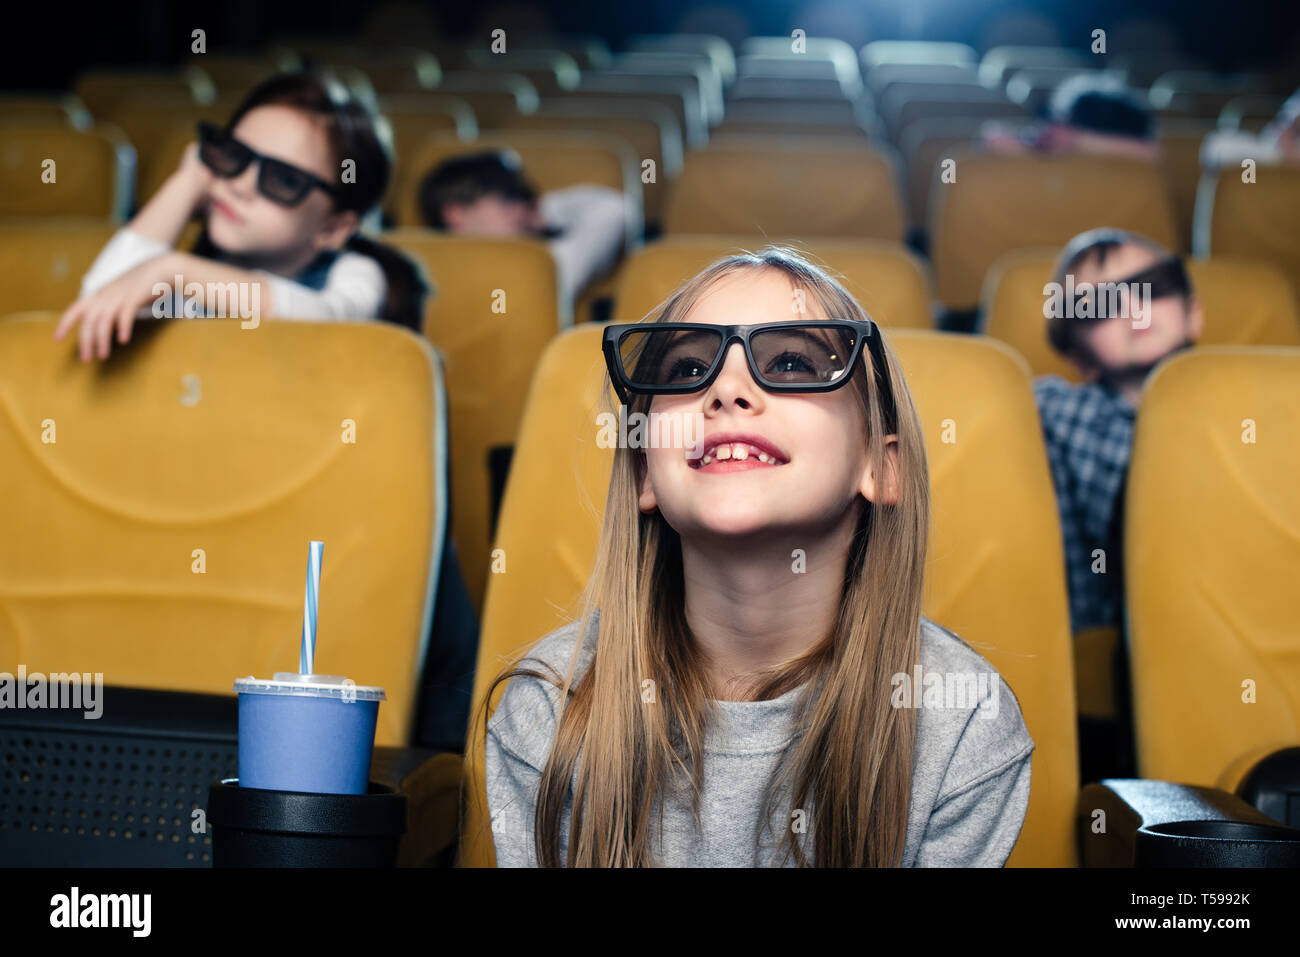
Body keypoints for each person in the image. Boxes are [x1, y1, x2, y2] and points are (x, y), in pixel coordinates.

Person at [474, 246, 1034, 867]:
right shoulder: (552, 710)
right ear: (644, 474)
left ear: (880, 463)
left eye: (792, 363)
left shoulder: (962, 721)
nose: (726, 391)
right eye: (687, 370)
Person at [55, 70, 429, 361]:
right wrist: (189, 180)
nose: (241, 185)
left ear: (333, 228)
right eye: (233, 156)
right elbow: (100, 304)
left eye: (284, 179)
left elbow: (322, 319)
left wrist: (174, 271)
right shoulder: (183, 284)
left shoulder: (356, 274)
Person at [1034, 228, 1203, 637]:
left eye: (1152, 287)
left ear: (1193, 313)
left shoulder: (1250, 408)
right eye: (1096, 306)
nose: (1132, 307)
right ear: (1078, 356)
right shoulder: (1066, 415)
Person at [417, 150, 627, 321]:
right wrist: (543, 209)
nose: (521, 207)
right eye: (507, 199)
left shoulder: (547, 263)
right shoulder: (421, 266)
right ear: (455, 213)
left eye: (523, 199)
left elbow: (614, 209)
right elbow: (612, 209)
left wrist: (538, 209)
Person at [984, 73, 1160, 162]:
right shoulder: (1044, 149)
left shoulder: (1139, 158)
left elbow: (1151, 153)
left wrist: (1076, 140)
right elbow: (994, 138)